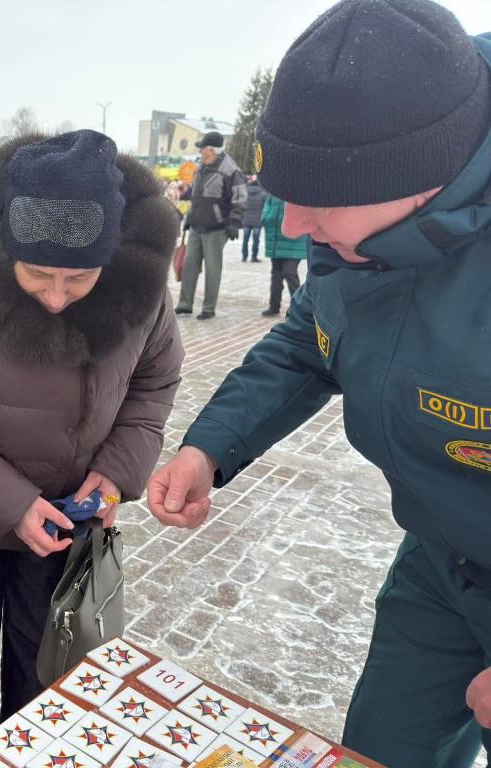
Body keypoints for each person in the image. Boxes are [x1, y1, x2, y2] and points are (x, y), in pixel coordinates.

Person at [146, 3, 491, 766]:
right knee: (381, 749)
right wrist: (211, 445)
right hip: (441, 560)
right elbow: (311, 341)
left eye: (321, 197)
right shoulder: (356, 236)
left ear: (423, 178)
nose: (294, 225)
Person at [0, 129, 184, 763]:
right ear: (6, 252)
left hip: (67, 526)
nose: (55, 297)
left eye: (78, 278)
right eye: (37, 275)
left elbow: (154, 384)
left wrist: (116, 471)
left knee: (49, 676)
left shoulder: (142, 293)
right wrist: (13, 503)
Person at [175, 131, 247, 319]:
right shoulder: (201, 168)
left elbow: (240, 197)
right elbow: (197, 197)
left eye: (202, 149)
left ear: (210, 150)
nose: (200, 152)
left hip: (216, 228)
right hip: (197, 226)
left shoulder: (230, 169)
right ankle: (185, 304)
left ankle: (208, 308)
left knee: (213, 269)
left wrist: (235, 221)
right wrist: (189, 218)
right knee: (189, 265)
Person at [259, 195, 307, 316]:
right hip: (275, 238)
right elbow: (267, 205)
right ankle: (274, 306)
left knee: (289, 272)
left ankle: (299, 309)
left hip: (294, 240)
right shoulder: (274, 191)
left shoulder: (298, 191)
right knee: (276, 275)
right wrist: (266, 218)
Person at [241, 175, 267, 262]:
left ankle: (244, 256)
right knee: (256, 240)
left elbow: (241, 205)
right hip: (257, 221)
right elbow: (265, 208)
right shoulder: (263, 194)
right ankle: (254, 257)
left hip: (246, 220)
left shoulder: (245, 193)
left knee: (245, 239)